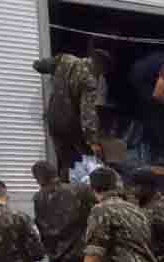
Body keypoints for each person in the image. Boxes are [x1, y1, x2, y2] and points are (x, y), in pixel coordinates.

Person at [33, 50, 113, 182]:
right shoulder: (89, 80)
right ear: (101, 66)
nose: (100, 76)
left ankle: (63, 188)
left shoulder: (65, 60)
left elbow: (38, 65)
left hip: (54, 121)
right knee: (83, 162)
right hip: (71, 124)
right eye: (102, 72)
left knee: (65, 161)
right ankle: (84, 192)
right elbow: (88, 113)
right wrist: (93, 142)